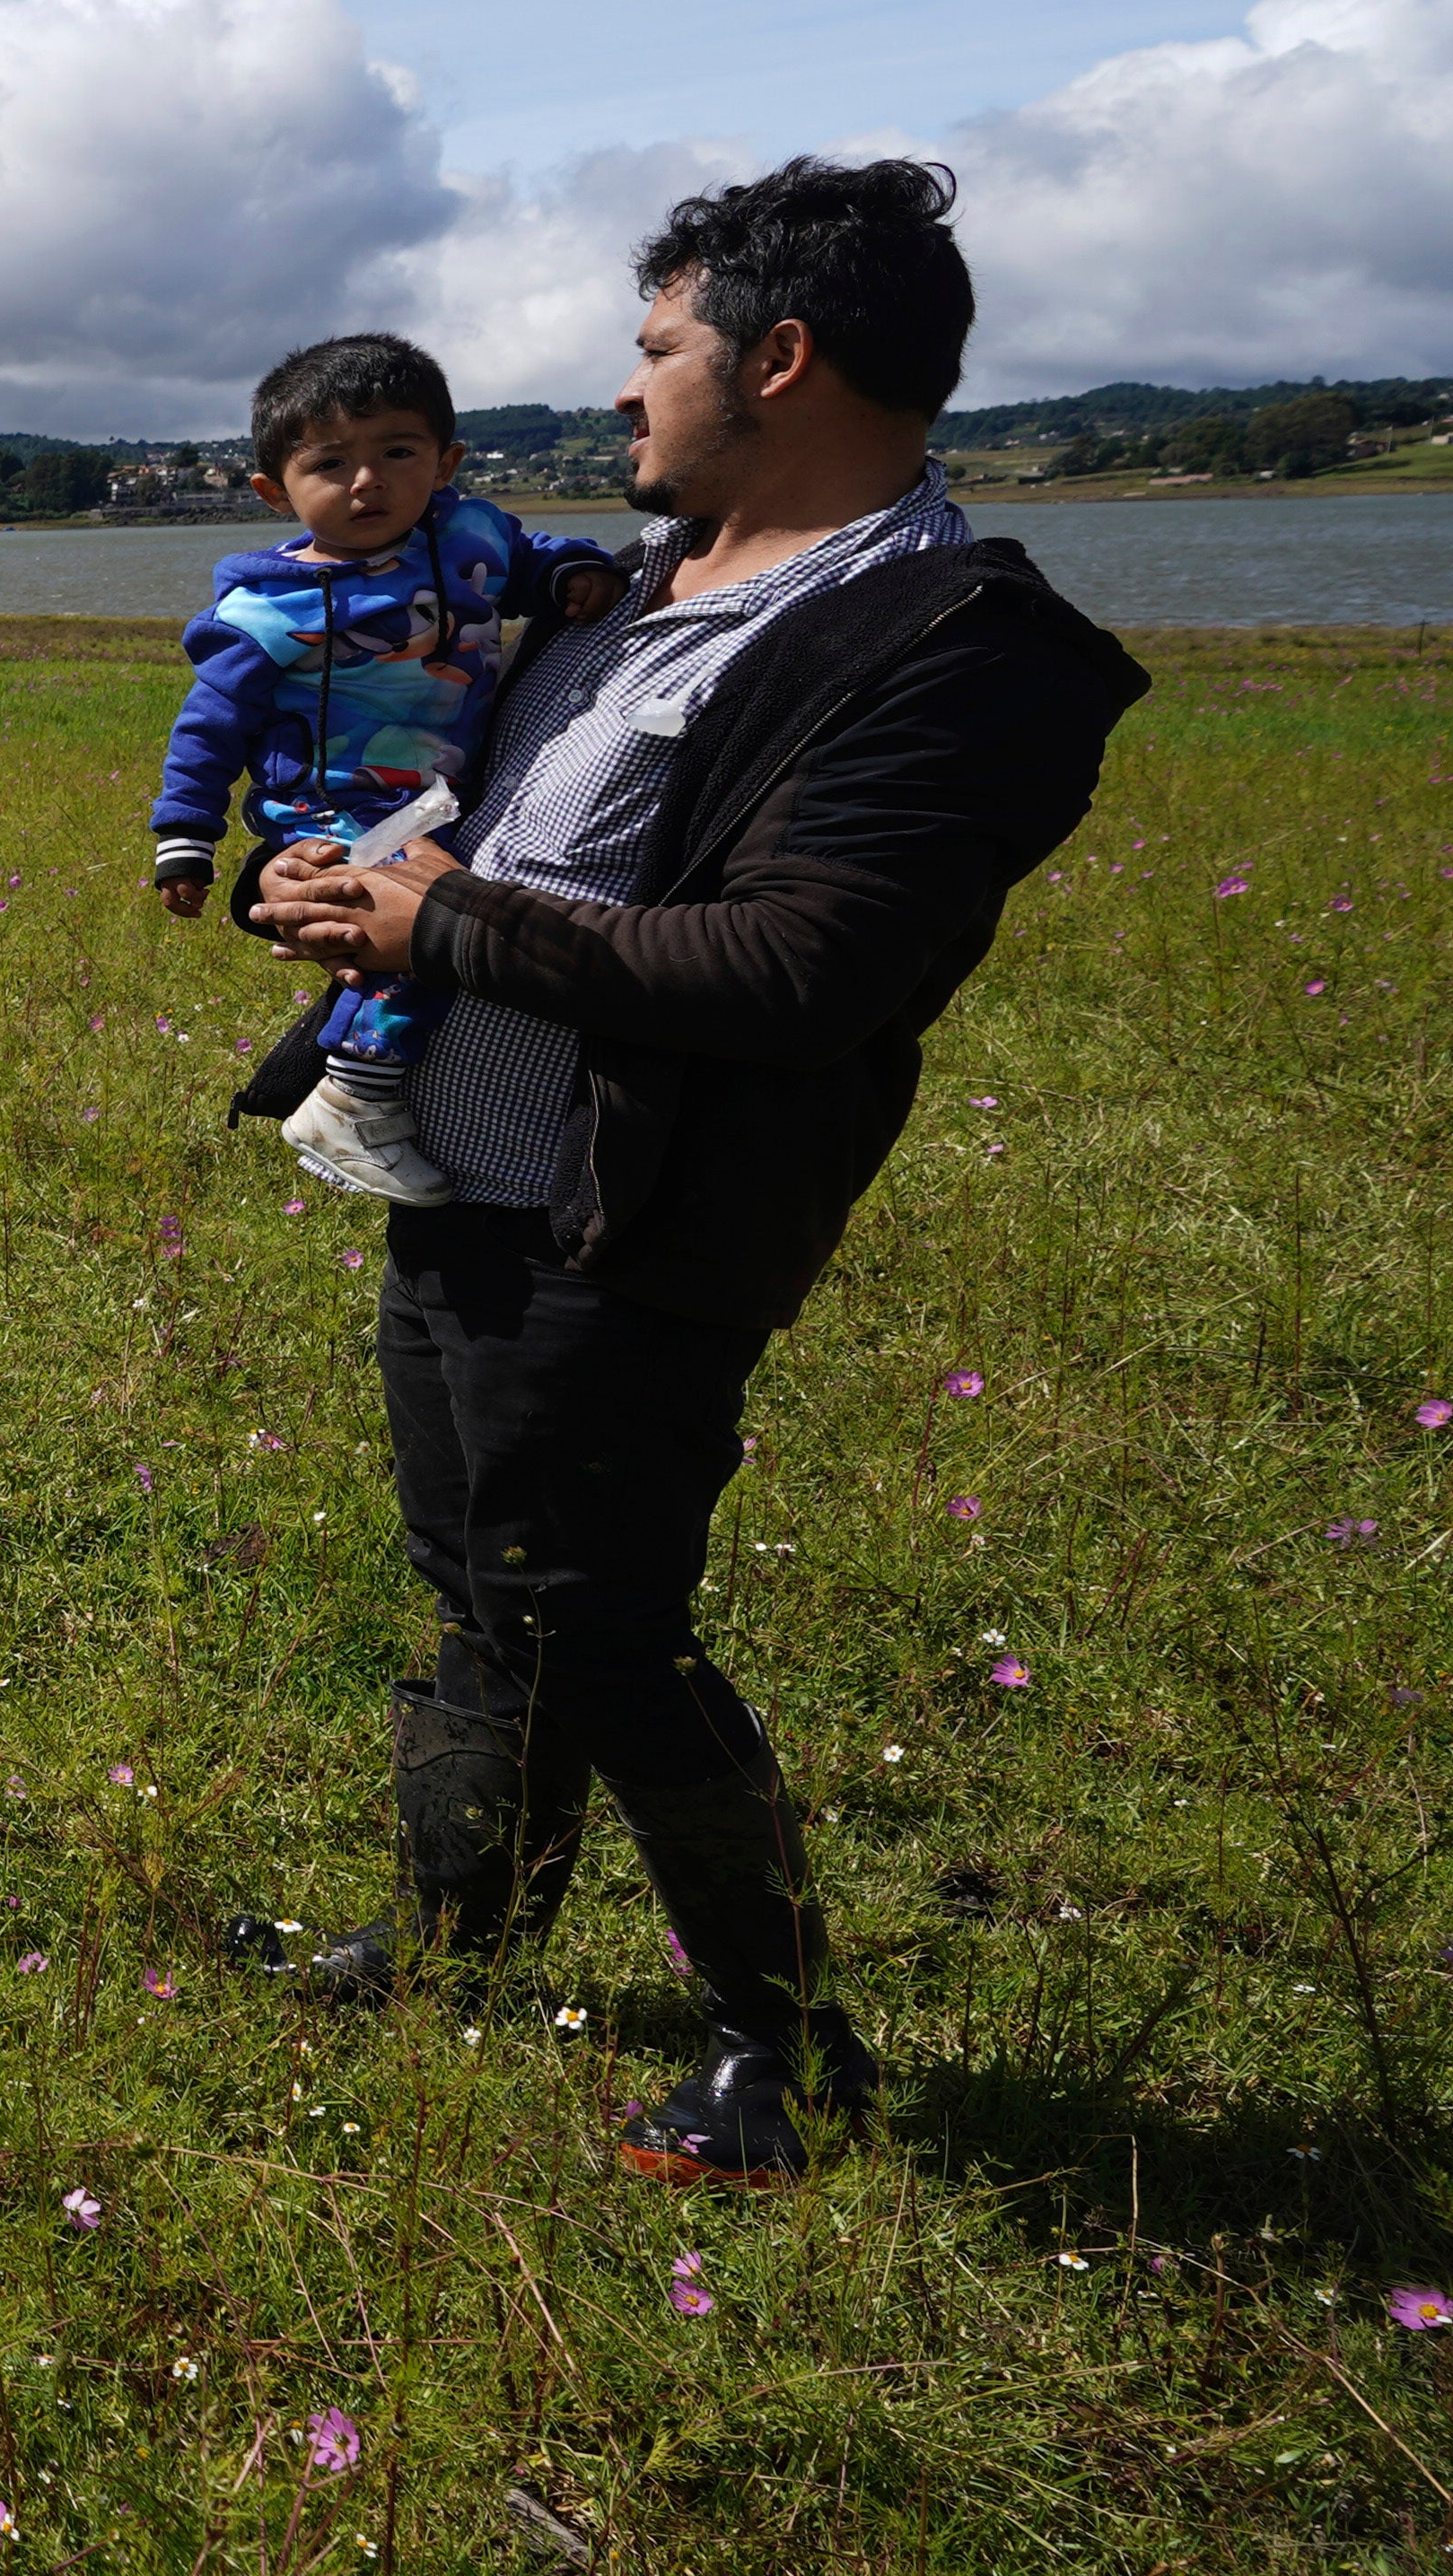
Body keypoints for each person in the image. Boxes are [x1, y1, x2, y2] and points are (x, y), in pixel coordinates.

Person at [237, 158, 1143, 2189]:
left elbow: (800, 971)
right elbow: (492, 821)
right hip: (456, 1180)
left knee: (599, 1617)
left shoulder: (955, 645)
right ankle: (458, 1933)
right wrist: (340, 879)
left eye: (656, 348)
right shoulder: (632, 583)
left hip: (636, 1223)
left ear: (782, 356)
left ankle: (786, 2049)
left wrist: (438, 929)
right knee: (481, 1592)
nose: (627, 391)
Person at [147, 335, 620, 1206]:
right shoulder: (263, 609)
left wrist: (573, 571)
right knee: (420, 931)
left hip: (444, 798)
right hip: (333, 804)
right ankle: (352, 1097)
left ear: (445, 463)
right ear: (272, 490)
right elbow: (208, 727)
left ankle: (351, 1077)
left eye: (396, 453)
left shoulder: (469, 532)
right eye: (330, 462)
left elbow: (529, 555)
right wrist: (186, 836)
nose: (366, 482)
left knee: (438, 923)